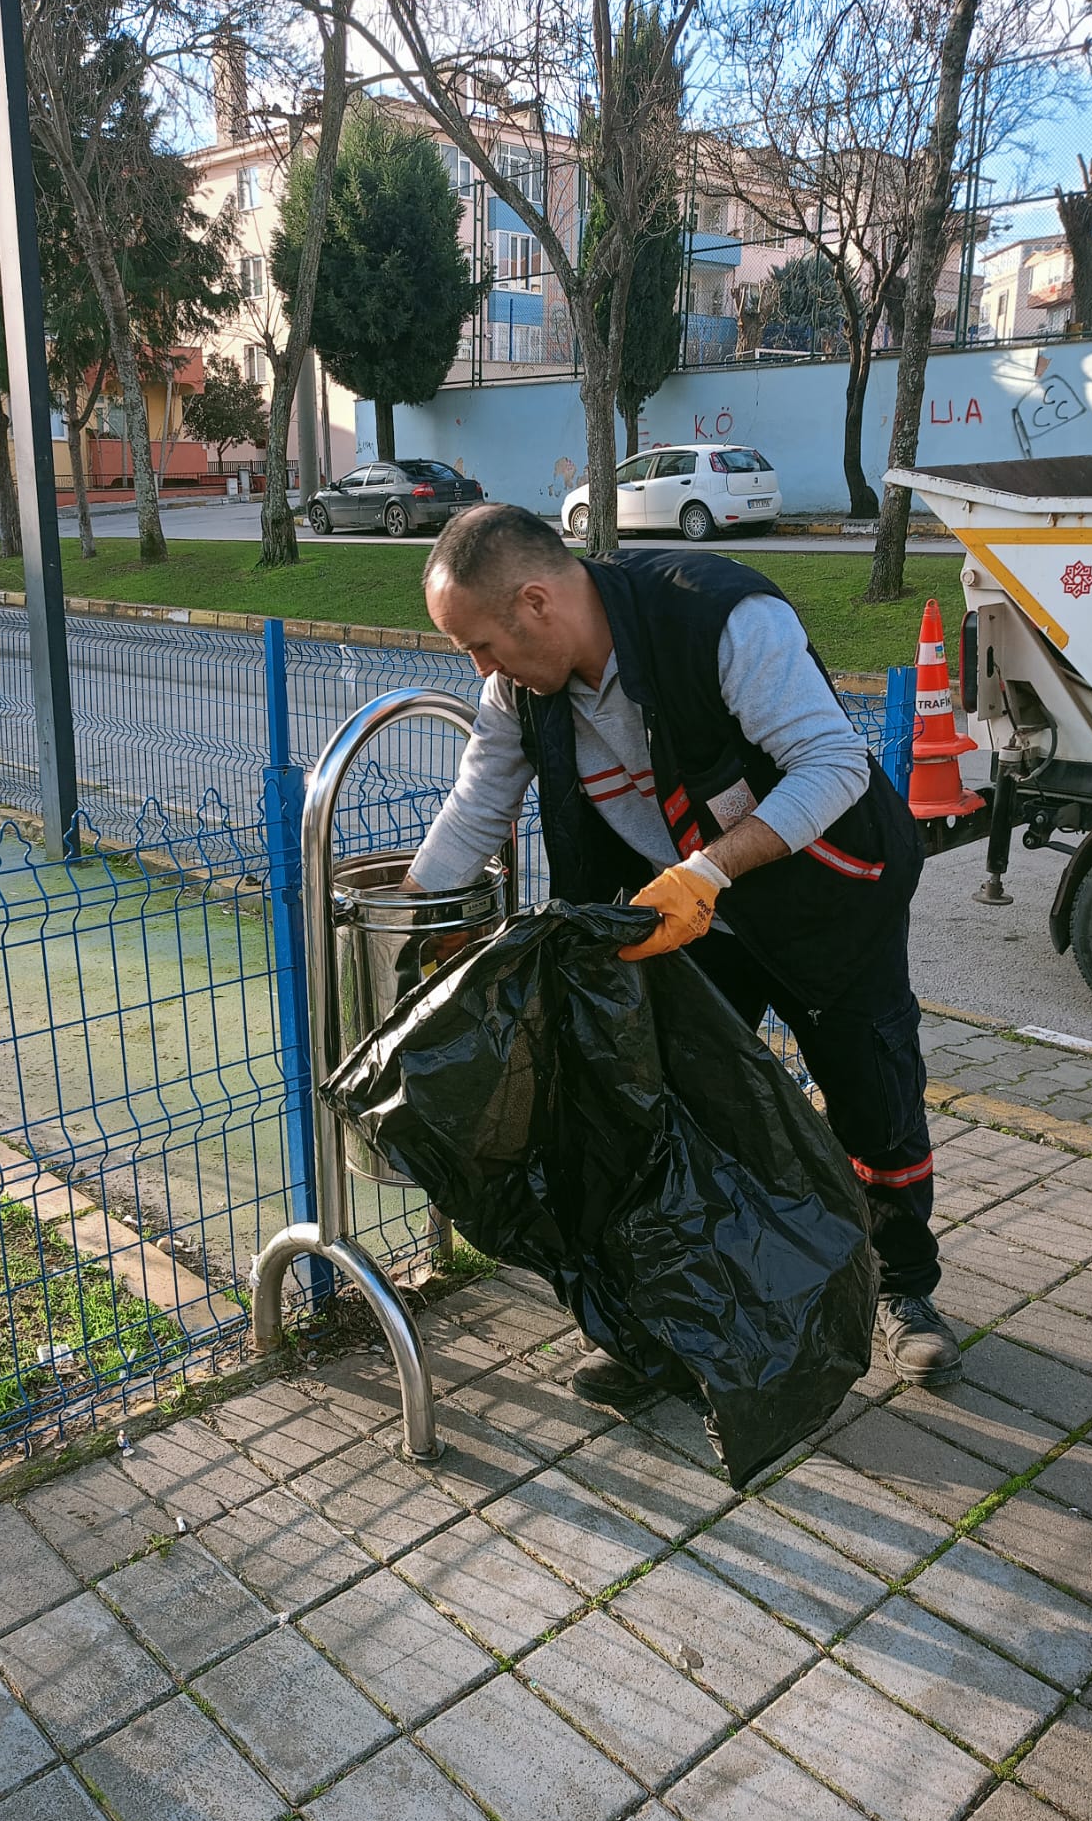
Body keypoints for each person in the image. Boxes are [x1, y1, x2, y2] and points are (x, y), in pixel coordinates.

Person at [404, 501, 960, 1398]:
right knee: (665, 1112)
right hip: (692, 916)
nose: (480, 668)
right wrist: (414, 917)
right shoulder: (520, 691)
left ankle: (904, 1290)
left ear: (537, 603)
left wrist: (709, 872)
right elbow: (477, 806)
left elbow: (833, 765)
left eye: (481, 645)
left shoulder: (722, 618)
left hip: (826, 893)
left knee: (873, 1098)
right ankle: (671, 1322)